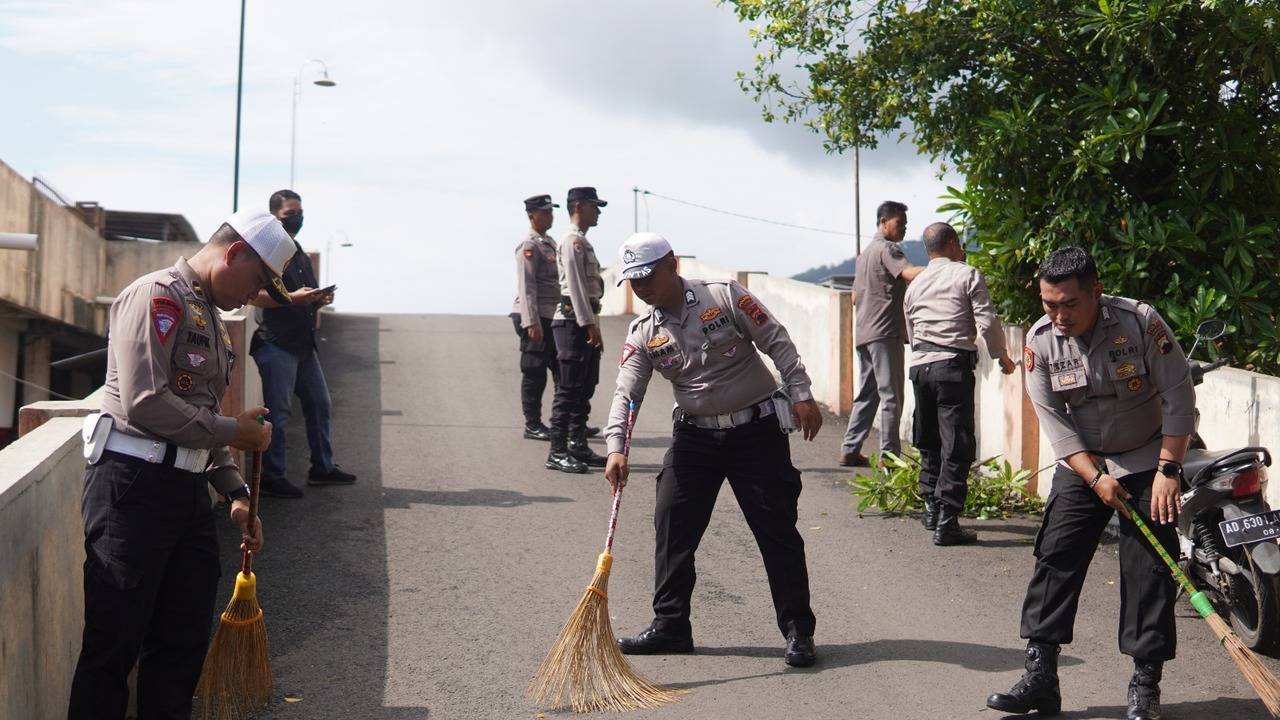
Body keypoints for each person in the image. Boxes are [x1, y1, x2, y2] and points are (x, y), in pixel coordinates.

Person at [67, 209, 289, 719]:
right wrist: (235, 432)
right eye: (256, 280)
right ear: (234, 253)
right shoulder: (156, 295)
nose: (252, 296)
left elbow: (198, 416)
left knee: (180, 646)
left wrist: (234, 492)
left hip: (187, 492)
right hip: (132, 486)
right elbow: (146, 402)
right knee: (112, 646)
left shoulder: (208, 315)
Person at [986, 247, 1194, 720]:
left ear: (1096, 292)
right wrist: (1095, 477)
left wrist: (1168, 471)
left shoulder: (1140, 323)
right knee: (1055, 557)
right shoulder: (1040, 343)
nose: (1058, 315)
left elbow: (1179, 395)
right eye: (1049, 304)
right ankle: (1041, 677)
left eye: (1069, 304)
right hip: (1083, 464)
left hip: (1147, 459)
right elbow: (1054, 422)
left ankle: (1145, 686)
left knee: (1148, 571)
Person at [605, 233, 824, 668]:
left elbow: (776, 339)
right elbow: (627, 393)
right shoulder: (644, 332)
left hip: (755, 431)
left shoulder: (723, 296)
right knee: (671, 524)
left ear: (671, 264)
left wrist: (800, 392)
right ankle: (671, 626)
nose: (641, 287)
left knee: (776, 529)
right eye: (633, 281)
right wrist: (616, 448)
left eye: (647, 276)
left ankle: (798, 630)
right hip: (695, 438)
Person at [904, 222, 1016, 545]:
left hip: (920, 367)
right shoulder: (967, 274)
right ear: (953, 243)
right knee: (956, 443)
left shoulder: (915, 284)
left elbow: (911, 331)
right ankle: (947, 521)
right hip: (952, 367)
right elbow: (987, 321)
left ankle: (930, 508)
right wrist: (1001, 356)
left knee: (928, 438)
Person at [249, 189, 356, 498]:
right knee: (279, 414)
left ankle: (323, 467)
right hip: (276, 343)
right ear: (274, 217)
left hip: (303, 345)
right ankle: (272, 477)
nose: (296, 218)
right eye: (290, 214)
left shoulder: (297, 251)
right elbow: (254, 295)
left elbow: (303, 297)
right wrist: (293, 298)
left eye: (299, 213)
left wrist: (318, 300)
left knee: (320, 404)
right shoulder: (265, 252)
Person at [840, 200, 923, 467]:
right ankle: (889, 457)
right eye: (900, 223)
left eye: (906, 224)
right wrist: (941, 267)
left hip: (864, 331)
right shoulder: (888, 249)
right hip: (885, 332)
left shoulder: (864, 255)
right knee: (891, 396)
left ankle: (850, 449)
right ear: (884, 222)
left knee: (868, 394)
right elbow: (908, 273)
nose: (904, 228)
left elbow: (854, 297)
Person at [546, 187, 608, 473]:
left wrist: (594, 324)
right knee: (568, 388)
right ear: (580, 206)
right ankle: (557, 451)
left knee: (585, 386)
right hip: (572, 322)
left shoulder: (582, 241)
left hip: (584, 319)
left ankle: (577, 443)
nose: (598, 212)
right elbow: (576, 287)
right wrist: (588, 324)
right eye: (595, 206)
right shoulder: (572, 241)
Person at [510, 194, 562, 441]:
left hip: (551, 315)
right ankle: (532, 424)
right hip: (534, 315)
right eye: (545, 212)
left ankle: (563, 423)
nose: (550, 216)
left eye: (551, 212)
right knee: (535, 371)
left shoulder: (549, 243)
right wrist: (531, 321)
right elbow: (527, 286)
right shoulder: (529, 246)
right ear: (532, 216)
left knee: (562, 371)